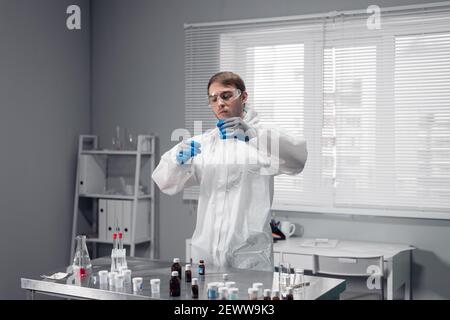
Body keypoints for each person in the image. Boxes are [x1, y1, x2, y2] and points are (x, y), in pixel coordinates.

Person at [152, 71, 307, 271]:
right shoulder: (206, 143)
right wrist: (176, 161)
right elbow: (164, 182)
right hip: (207, 251)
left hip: (249, 252)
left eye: (226, 96)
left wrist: (252, 135)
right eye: (213, 99)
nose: (220, 103)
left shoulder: (264, 136)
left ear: (243, 97)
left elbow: (297, 160)